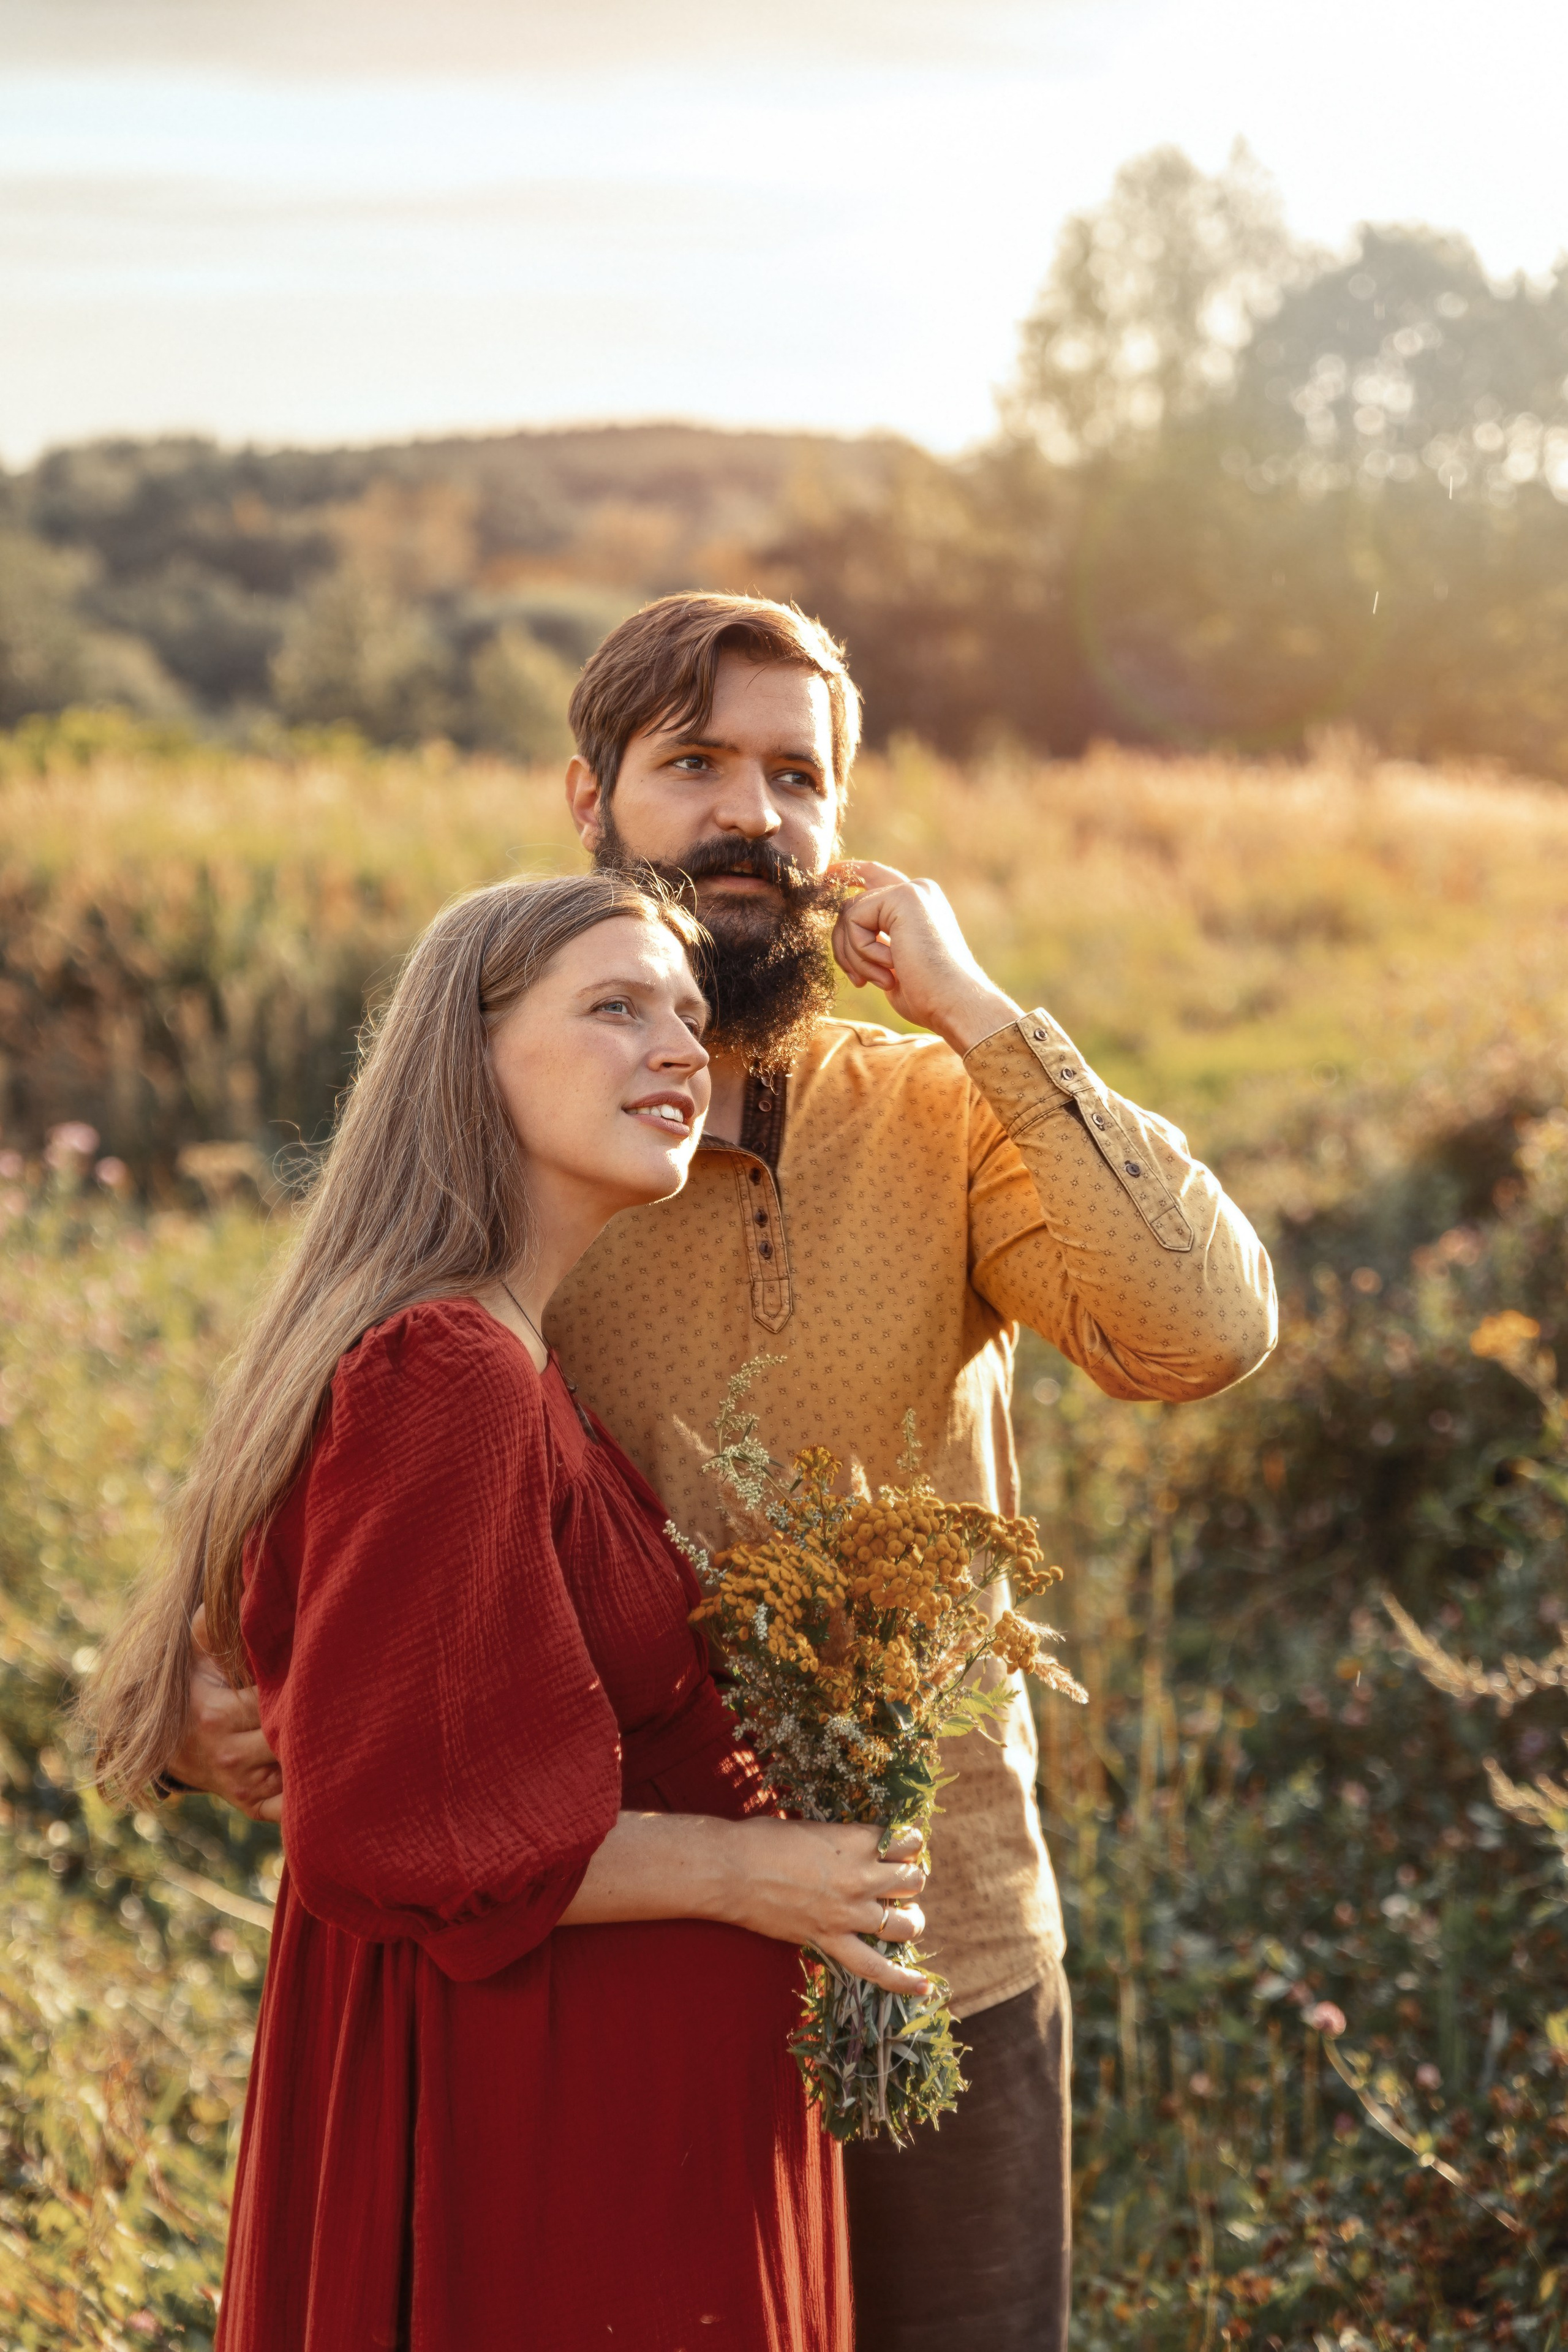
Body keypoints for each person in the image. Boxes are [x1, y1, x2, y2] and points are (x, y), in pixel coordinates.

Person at [172, 595, 1278, 2351]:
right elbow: (343, 1464)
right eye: (693, 762)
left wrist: (976, 1011)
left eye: (796, 775)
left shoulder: (941, 1116)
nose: (750, 813)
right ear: (588, 799)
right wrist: (221, 1680)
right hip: (611, 1983)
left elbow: (1199, 1332)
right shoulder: (521, 1139)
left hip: (938, 1936)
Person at [85, 871, 939, 2352]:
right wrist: (758, 1877)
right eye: (615, 1008)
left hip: (612, 2105)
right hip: (548, 2133)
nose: (677, 1048)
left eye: (685, 1015)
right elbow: (400, 1824)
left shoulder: (501, 1353)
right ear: (467, 1055)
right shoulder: (451, 1373)